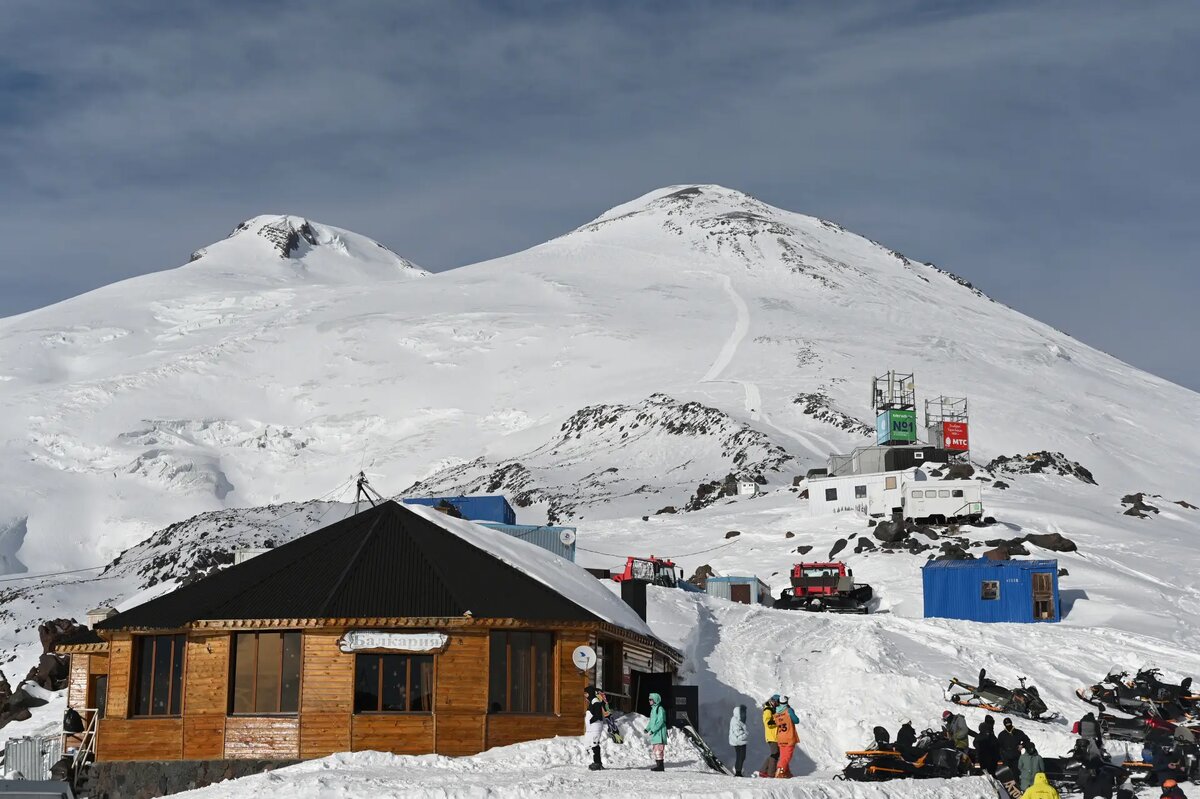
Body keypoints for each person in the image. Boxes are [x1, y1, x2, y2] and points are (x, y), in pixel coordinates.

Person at [773, 696, 799, 778]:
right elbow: (796, 720)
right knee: (787, 756)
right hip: (789, 736)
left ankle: (786, 772)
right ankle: (780, 770)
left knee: (783, 755)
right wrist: (791, 711)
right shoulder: (788, 711)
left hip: (780, 737)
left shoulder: (776, 713)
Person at [584, 686, 606, 770]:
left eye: (586, 693)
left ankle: (597, 763)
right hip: (591, 728)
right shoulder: (591, 701)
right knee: (591, 745)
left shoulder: (595, 701)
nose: (585, 695)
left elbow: (598, 715)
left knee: (595, 744)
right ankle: (597, 762)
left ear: (589, 693)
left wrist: (591, 720)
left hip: (595, 727)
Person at [757, 695, 780, 778]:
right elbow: (767, 723)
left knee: (774, 754)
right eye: (777, 702)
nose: (778, 704)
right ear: (773, 701)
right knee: (775, 754)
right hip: (771, 735)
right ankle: (771, 773)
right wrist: (777, 721)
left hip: (774, 735)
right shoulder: (768, 710)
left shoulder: (772, 709)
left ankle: (763, 771)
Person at [646, 692, 667, 772]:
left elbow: (660, 721)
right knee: (656, 749)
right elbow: (652, 721)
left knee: (659, 748)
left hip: (660, 732)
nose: (649, 701)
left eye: (651, 699)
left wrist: (653, 730)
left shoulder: (660, 709)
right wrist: (647, 729)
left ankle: (660, 766)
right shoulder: (653, 710)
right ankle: (658, 765)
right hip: (655, 733)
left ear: (655, 700)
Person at [728, 704, 748, 777]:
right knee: (740, 757)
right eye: (742, 713)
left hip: (739, 741)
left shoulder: (737, 720)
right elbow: (738, 732)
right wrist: (745, 734)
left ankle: (738, 771)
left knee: (741, 757)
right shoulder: (735, 721)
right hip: (738, 741)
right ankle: (738, 772)